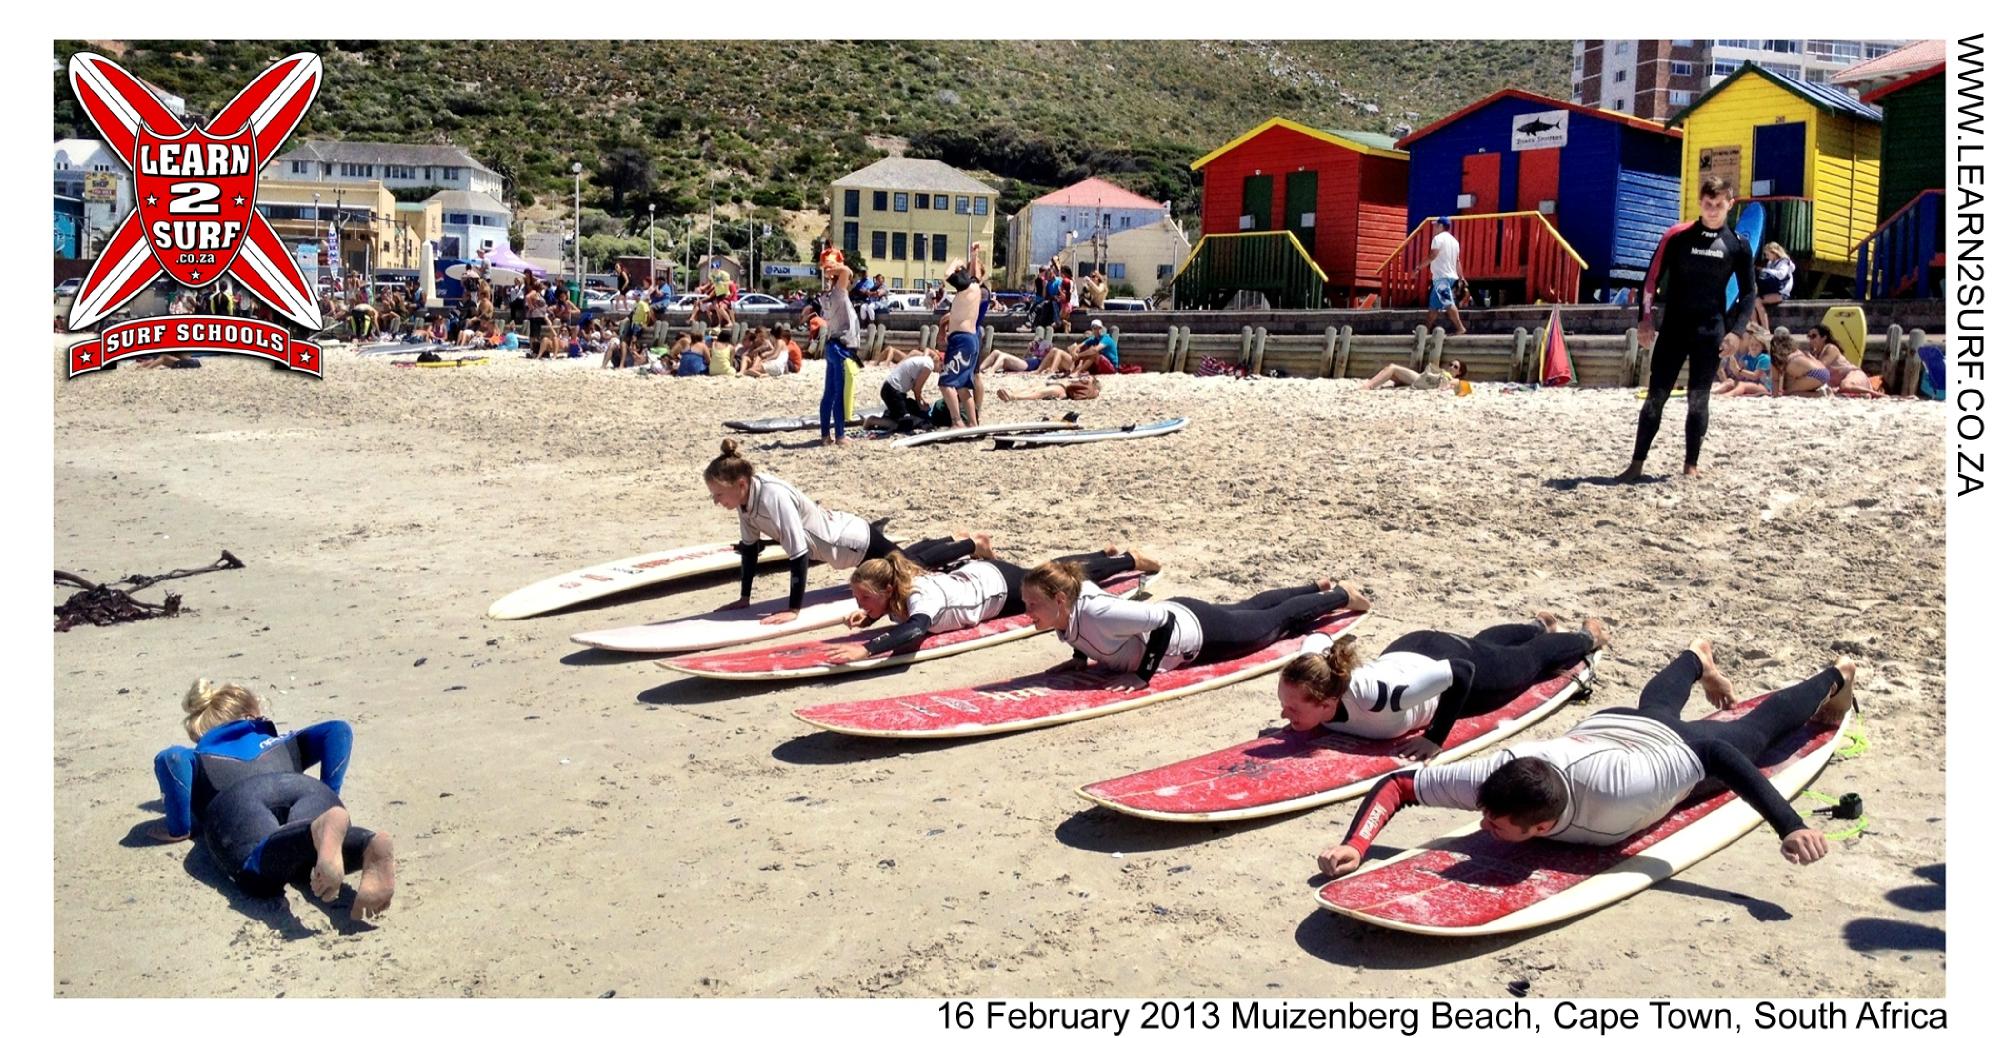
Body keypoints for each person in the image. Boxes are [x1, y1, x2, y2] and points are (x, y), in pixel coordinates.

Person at [1317, 642, 1855, 878]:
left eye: (1494, 825)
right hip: (1604, 725)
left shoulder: (1625, 792)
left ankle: (1836, 676)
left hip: (1667, 751)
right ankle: (1694, 658)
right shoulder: (1493, 777)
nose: (1481, 826)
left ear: (1545, 826)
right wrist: (1355, 844)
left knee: (1754, 732)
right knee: (1656, 706)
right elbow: (1399, 786)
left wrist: (1788, 825)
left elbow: (1715, 749)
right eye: (1485, 816)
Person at [149, 680, 396, 920]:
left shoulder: (200, 754)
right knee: (305, 856)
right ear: (252, 715)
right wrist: (329, 792)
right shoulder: (284, 741)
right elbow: (338, 730)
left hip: (239, 800)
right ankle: (365, 843)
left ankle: (319, 829)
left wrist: (180, 827)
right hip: (307, 789)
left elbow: (172, 760)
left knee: (256, 874)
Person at [1276, 614, 1607, 761]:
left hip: (1452, 666)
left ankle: (1588, 636)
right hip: (1412, 650)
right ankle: (1537, 625)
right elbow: (1317, 639)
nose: (1283, 713)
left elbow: (1460, 672)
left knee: (1525, 662)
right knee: (1482, 646)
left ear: (1326, 703)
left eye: (1293, 708)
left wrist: (1435, 738)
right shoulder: (1312, 668)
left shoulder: (1384, 699)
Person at [1019, 563, 1370, 689]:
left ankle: (1340, 595)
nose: (1028, 611)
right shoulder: (1068, 610)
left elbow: (1163, 622)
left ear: (1060, 600)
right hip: (1190, 614)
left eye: (1034, 604)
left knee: (1274, 623)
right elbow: (1084, 630)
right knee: (1247, 609)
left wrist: (1143, 676)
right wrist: (1080, 659)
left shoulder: (1096, 613)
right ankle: (1313, 587)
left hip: (1201, 634)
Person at [828, 539, 1162, 664]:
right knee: (1045, 571)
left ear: (888, 590)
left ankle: (1130, 560)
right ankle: (1101, 554)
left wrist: (866, 648)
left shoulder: (919, 596)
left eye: (866, 598)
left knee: (1055, 581)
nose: (860, 604)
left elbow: (916, 630)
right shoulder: (896, 588)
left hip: (996, 587)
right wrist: (870, 617)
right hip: (978, 575)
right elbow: (896, 613)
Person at [1620, 177, 1756, 482]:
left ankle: (1690, 465)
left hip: (1711, 332)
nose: (1711, 211)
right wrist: (1645, 318)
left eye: (1718, 205)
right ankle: (1636, 463)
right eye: (1707, 204)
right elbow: (1651, 278)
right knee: (1656, 396)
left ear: (1730, 205)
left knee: (1699, 399)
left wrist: (1736, 332)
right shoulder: (1677, 236)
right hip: (1675, 329)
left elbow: (1748, 293)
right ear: (1699, 203)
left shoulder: (1737, 246)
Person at [704, 439, 901, 622]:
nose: (715, 501)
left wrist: (793, 610)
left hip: (853, 541)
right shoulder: (744, 500)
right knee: (906, 566)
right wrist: (744, 598)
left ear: (741, 484)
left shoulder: (773, 497)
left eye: (719, 494)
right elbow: (750, 549)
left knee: (914, 569)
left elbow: (799, 554)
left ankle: (931, 547)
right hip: (847, 548)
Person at [936, 244, 988, 428]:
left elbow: (948, 275)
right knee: (963, 386)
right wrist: (974, 255)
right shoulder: (975, 288)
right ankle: (973, 422)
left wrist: (955, 263)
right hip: (970, 340)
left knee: (945, 382)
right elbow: (976, 276)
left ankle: (957, 421)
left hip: (962, 341)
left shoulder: (968, 288)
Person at [816, 251, 862, 446]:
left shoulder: (825, 296)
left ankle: (825, 435)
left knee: (829, 394)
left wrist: (827, 268)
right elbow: (846, 271)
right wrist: (832, 266)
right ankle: (841, 435)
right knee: (839, 394)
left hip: (832, 345)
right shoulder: (838, 293)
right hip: (841, 348)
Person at [1804, 323, 1882, 397]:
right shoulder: (1817, 355)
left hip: (1853, 374)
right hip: (1842, 383)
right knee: (1840, 388)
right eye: (1809, 337)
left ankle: (1876, 394)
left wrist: (1809, 358)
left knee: (1845, 386)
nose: (1811, 340)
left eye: (1814, 336)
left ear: (1824, 337)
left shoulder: (1830, 348)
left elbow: (1820, 367)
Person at [879, 346, 940, 431]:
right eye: (941, 368)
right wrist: (920, 404)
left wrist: (922, 400)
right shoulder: (929, 365)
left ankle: (890, 413)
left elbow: (914, 385)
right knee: (905, 424)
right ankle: (873, 421)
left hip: (891, 390)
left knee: (911, 411)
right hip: (893, 391)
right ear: (939, 362)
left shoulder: (924, 361)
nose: (940, 371)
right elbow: (917, 388)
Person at [1426, 217, 1467, 336]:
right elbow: (1457, 261)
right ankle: (1425, 330)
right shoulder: (1455, 241)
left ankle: (1460, 328)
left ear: (1440, 226)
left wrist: (1418, 266)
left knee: (1448, 303)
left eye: (1436, 225)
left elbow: (1432, 255)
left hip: (1441, 277)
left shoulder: (1437, 239)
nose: (1434, 227)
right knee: (1433, 307)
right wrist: (1461, 277)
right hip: (1450, 276)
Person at [1770, 328, 1833, 397]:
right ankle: (1823, 391)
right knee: (1797, 387)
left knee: (1788, 393)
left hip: (1814, 374)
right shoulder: (1797, 351)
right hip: (1825, 372)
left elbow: (1775, 379)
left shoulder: (1777, 356)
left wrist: (1775, 395)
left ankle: (1818, 394)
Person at [1750, 242, 1795, 333]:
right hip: (1771, 290)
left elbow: (1781, 275)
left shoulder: (1784, 262)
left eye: (1767, 254)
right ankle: (1755, 326)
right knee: (1751, 302)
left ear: (1774, 253)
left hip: (1781, 292)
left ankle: (1766, 329)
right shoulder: (1770, 263)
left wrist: (1765, 270)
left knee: (1757, 301)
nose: (1766, 257)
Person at [1713, 330, 1772, 397]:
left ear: (1763, 347)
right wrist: (1734, 369)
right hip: (1750, 383)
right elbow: (1740, 375)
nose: (1753, 347)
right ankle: (1712, 392)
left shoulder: (1764, 358)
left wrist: (1738, 370)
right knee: (1729, 381)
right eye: (1751, 345)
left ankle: (1726, 395)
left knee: (1742, 385)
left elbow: (1755, 376)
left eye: (1757, 345)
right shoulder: (1746, 357)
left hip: (1763, 386)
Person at [1360, 358, 1466, 390]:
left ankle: (1368, 386)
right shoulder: (1444, 372)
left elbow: (1455, 384)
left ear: (1459, 372)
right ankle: (1371, 384)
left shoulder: (1453, 378)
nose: (1451, 367)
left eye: (1455, 367)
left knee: (1392, 367)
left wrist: (1446, 386)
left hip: (1420, 379)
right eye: (1451, 364)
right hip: (1421, 378)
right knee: (1390, 372)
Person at [997, 372, 1099, 402]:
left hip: (1061, 389)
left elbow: (1094, 393)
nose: (1086, 378)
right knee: (1033, 388)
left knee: (1039, 393)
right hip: (1058, 385)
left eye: (1089, 378)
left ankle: (1014, 397)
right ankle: (1012, 393)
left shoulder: (1090, 388)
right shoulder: (1077, 380)